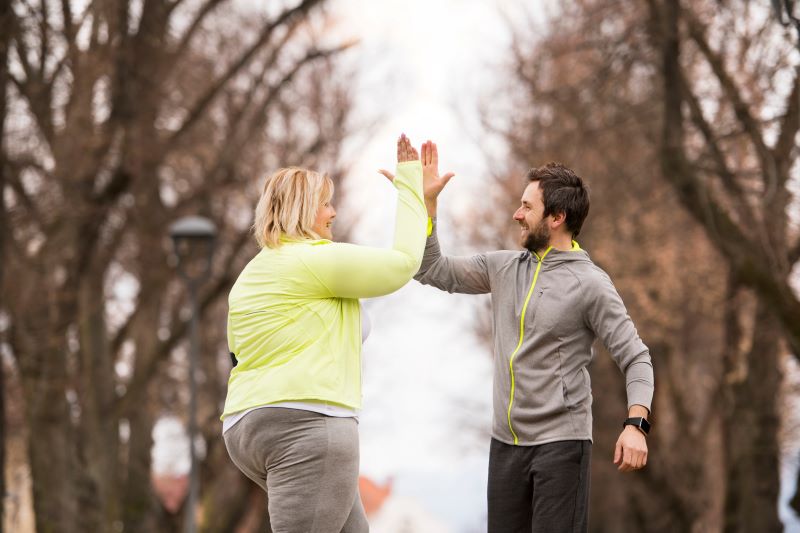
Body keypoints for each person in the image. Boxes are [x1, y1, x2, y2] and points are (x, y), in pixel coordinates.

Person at [412, 142, 654, 533]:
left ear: (557, 217)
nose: (517, 214)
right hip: (505, 447)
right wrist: (425, 208)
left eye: (527, 207)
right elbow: (431, 269)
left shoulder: (590, 284)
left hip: (562, 446)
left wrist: (635, 425)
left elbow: (636, 357)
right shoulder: (504, 268)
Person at [221, 135, 428, 532]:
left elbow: (236, 354)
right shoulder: (313, 258)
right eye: (326, 203)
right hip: (308, 423)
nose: (333, 212)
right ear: (304, 209)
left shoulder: (253, 274)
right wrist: (411, 190)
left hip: (245, 427)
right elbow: (403, 265)